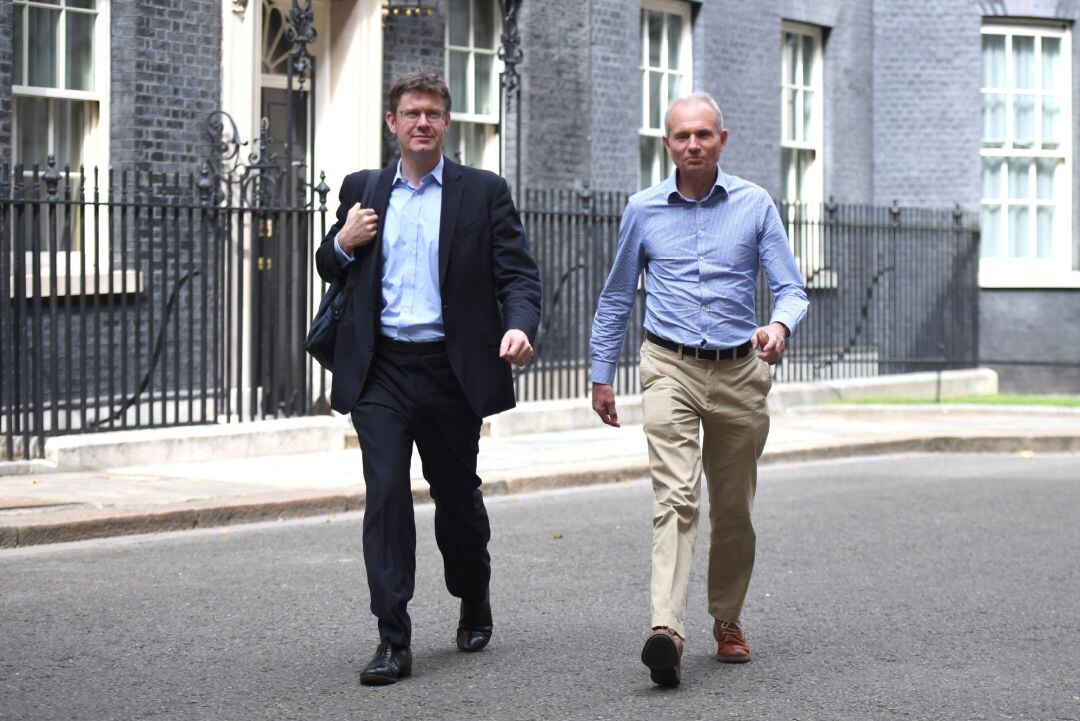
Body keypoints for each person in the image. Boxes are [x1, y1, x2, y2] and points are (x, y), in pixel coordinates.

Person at [315, 72, 542, 686]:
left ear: (447, 123)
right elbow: (327, 265)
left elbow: (518, 276)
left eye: (434, 113)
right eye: (411, 113)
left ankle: (473, 593)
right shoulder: (363, 190)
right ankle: (393, 638)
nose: (423, 122)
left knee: (456, 498)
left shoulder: (483, 192)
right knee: (385, 492)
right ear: (392, 123)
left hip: (449, 371)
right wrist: (342, 239)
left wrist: (519, 327)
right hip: (381, 369)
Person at [589, 92, 808, 688]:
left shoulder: (755, 204)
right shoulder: (642, 209)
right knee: (676, 499)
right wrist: (601, 373)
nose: (692, 145)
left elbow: (791, 287)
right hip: (669, 367)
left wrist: (779, 326)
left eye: (703, 135)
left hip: (740, 371)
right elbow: (615, 296)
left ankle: (727, 618)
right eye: (681, 136)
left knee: (733, 509)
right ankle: (667, 629)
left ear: (722, 140)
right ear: (667, 144)